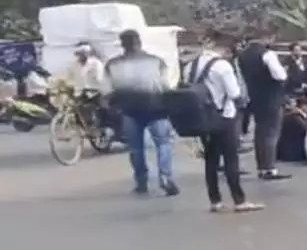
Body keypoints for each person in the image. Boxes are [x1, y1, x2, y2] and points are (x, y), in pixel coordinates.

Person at [189, 32, 263, 213]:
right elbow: (234, 93)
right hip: (225, 117)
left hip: (203, 118)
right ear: (226, 48)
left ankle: (215, 200)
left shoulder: (192, 65)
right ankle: (239, 200)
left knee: (211, 160)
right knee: (231, 158)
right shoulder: (222, 66)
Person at [103, 29, 179, 197]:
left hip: (129, 110)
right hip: (156, 108)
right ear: (139, 42)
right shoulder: (156, 61)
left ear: (122, 45)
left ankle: (141, 181)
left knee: (136, 148)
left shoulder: (112, 65)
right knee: (163, 143)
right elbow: (165, 87)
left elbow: (107, 91)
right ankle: (165, 178)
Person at [237, 32, 291, 181]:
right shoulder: (268, 54)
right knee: (272, 133)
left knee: (260, 132)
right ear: (266, 37)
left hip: (254, 97)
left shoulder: (243, 55)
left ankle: (261, 166)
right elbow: (280, 75)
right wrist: (285, 72)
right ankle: (269, 168)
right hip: (271, 97)